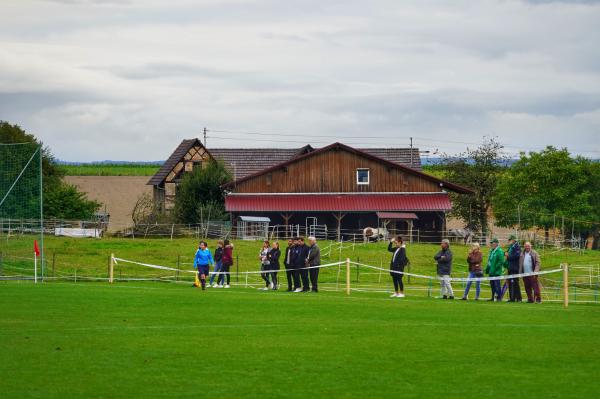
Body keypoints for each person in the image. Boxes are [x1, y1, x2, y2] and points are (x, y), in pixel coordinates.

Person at [505, 235, 522, 302]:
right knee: (510, 283)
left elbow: (516, 256)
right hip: (510, 267)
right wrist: (505, 253)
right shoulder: (510, 247)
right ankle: (512, 298)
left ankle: (519, 298)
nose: (509, 241)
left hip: (515, 267)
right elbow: (506, 253)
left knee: (516, 283)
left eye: (510, 240)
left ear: (514, 240)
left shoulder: (517, 247)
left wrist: (508, 256)